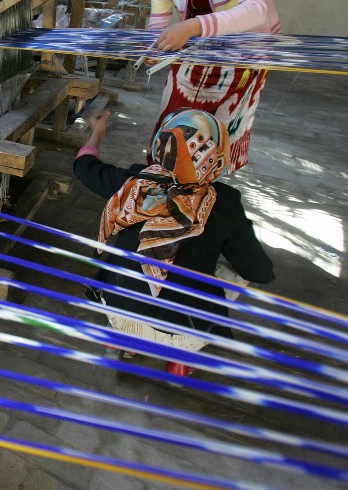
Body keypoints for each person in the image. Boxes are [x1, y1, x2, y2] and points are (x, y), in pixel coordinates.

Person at [74, 107, 274, 377]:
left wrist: (97, 133)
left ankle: (123, 336)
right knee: (234, 267)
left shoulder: (137, 182)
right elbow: (258, 270)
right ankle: (179, 358)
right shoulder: (225, 204)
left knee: (129, 252)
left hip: (121, 311)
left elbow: (84, 166)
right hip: (184, 332)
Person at [146, 0, 281, 172]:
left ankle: (205, 186)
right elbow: (158, 22)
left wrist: (194, 25)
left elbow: (257, 10)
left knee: (217, 135)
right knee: (175, 125)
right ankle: (165, 176)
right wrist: (154, 48)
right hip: (194, 52)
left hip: (244, 54)